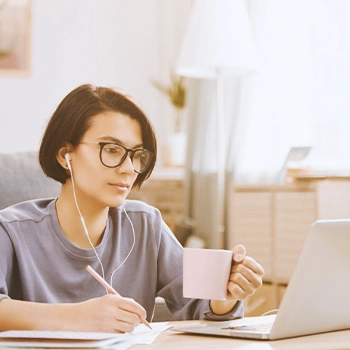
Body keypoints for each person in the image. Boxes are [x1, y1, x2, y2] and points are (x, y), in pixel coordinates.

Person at [0, 84, 264, 333]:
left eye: (137, 154)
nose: (129, 168)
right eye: (112, 150)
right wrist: (81, 317)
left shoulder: (145, 224)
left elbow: (199, 308)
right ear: (64, 155)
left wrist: (225, 294)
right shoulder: (11, 231)